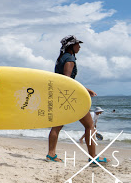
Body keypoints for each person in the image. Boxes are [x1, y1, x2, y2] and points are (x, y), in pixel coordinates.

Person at [46, 35, 107, 165]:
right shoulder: (70, 59)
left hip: (61, 96)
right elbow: (67, 81)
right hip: (70, 97)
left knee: (57, 126)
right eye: (77, 44)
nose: (79, 46)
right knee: (90, 126)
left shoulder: (61, 59)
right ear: (71, 46)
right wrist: (85, 90)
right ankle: (93, 157)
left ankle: (51, 154)